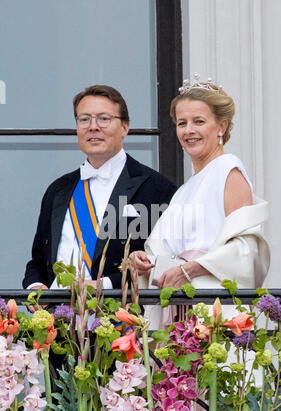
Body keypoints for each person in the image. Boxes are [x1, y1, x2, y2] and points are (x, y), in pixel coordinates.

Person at [131, 75, 270, 329]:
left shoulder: (229, 171)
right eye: (181, 122)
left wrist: (191, 270)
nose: (188, 130)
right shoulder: (184, 189)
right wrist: (143, 261)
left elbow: (245, 250)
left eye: (199, 121)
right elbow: (161, 250)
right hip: (181, 316)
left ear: (221, 127)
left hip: (215, 316)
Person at [22, 85, 177, 295]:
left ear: (125, 127)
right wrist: (36, 289)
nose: (93, 127)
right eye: (84, 119)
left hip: (121, 321)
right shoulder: (57, 190)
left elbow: (163, 263)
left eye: (104, 119)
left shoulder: (157, 188)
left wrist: (104, 285)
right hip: (57, 319)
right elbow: (38, 262)